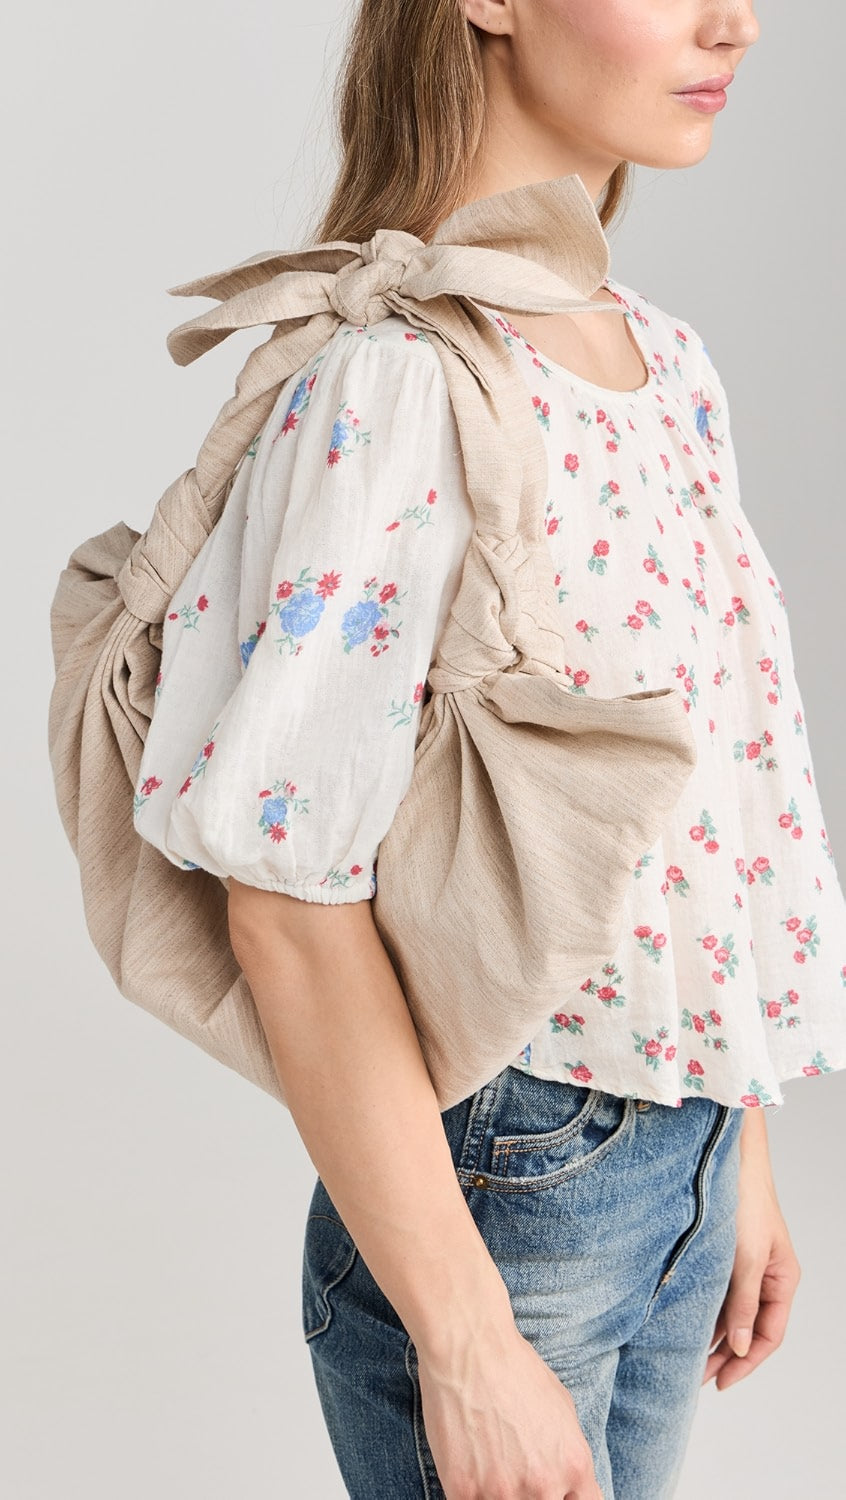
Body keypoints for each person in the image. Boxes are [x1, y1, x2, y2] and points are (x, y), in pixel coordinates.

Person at [131, 2, 846, 1496]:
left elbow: (694, 810)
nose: (736, 23)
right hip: (502, 1192)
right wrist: (461, 1343)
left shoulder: (662, 356)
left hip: (676, 1155)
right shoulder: (400, 377)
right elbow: (286, 896)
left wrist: (734, 1154)